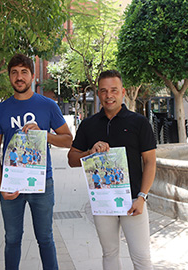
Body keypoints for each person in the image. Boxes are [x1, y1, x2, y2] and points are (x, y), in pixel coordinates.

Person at [0, 53, 72, 270]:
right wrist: (2, 186)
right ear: (9, 77)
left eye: (24, 72)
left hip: (43, 184)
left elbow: (68, 140)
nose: (19, 77)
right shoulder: (1, 110)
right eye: (14, 72)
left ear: (33, 76)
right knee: (12, 240)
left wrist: (44, 134)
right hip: (12, 185)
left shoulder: (48, 105)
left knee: (45, 239)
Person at [68, 70, 156, 270]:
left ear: (123, 92)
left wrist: (142, 197)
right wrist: (89, 152)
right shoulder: (88, 125)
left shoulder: (139, 123)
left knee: (142, 259)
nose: (109, 95)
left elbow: (150, 162)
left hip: (134, 201)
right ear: (98, 94)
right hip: (102, 202)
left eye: (114, 90)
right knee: (109, 254)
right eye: (104, 91)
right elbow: (72, 159)